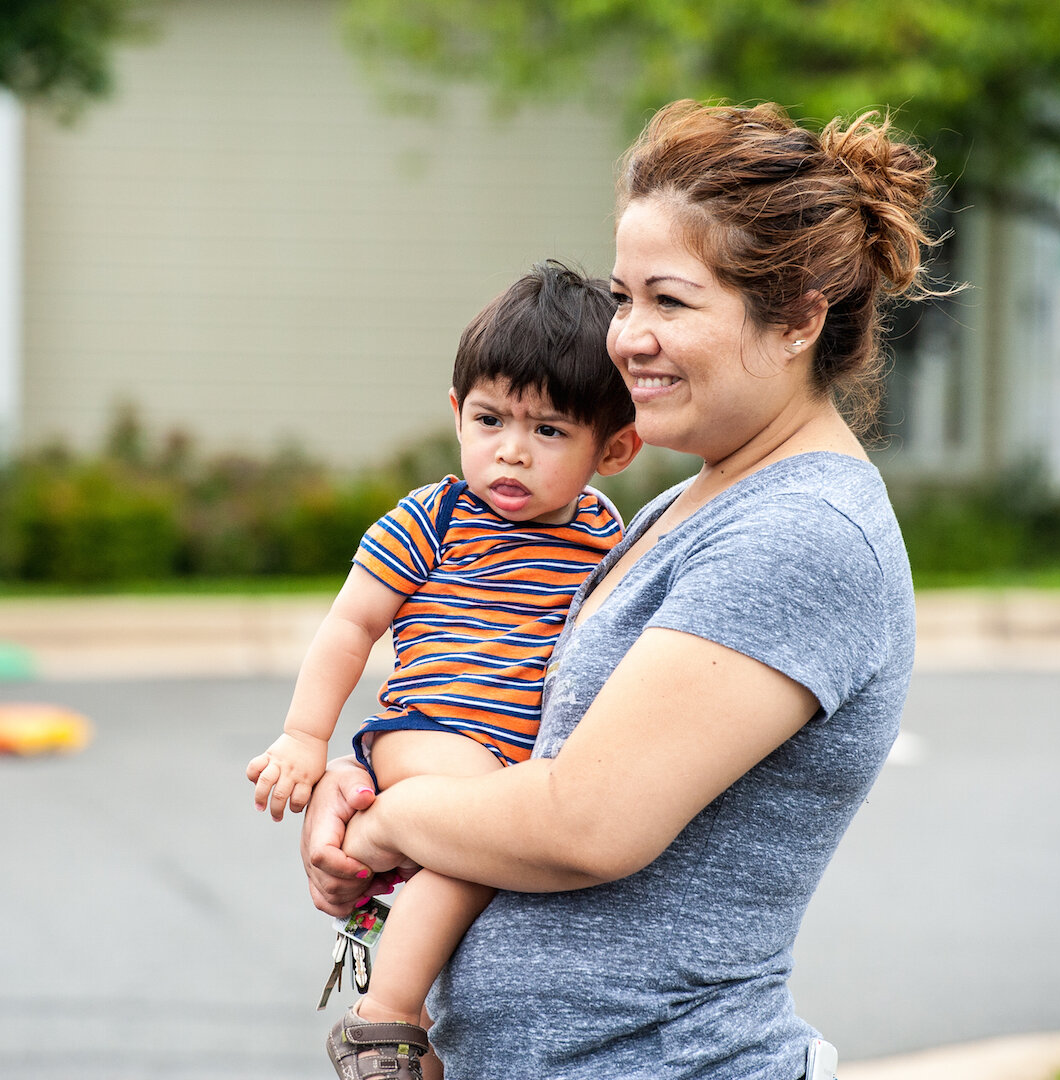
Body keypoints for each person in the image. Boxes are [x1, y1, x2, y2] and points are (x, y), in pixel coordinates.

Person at [299, 99, 942, 1080]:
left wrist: (390, 823)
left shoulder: (801, 533)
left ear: (799, 319)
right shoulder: (688, 504)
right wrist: (368, 774)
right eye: (623, 297)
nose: (626, 336)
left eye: (670, 303)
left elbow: (583, 823)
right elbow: (528, 735)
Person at [245, 260, 642, 1079]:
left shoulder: (608, 536)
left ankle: (409, 1039)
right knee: (471, 850)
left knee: (454, 914)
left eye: (548, 431)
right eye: (491, 420)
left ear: (615, 448)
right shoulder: (433, 518)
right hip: (427, 732)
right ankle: (378, 1020)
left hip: (516, 754)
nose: (511, 453)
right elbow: (351, 625)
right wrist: (303, 737)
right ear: (457, 413)